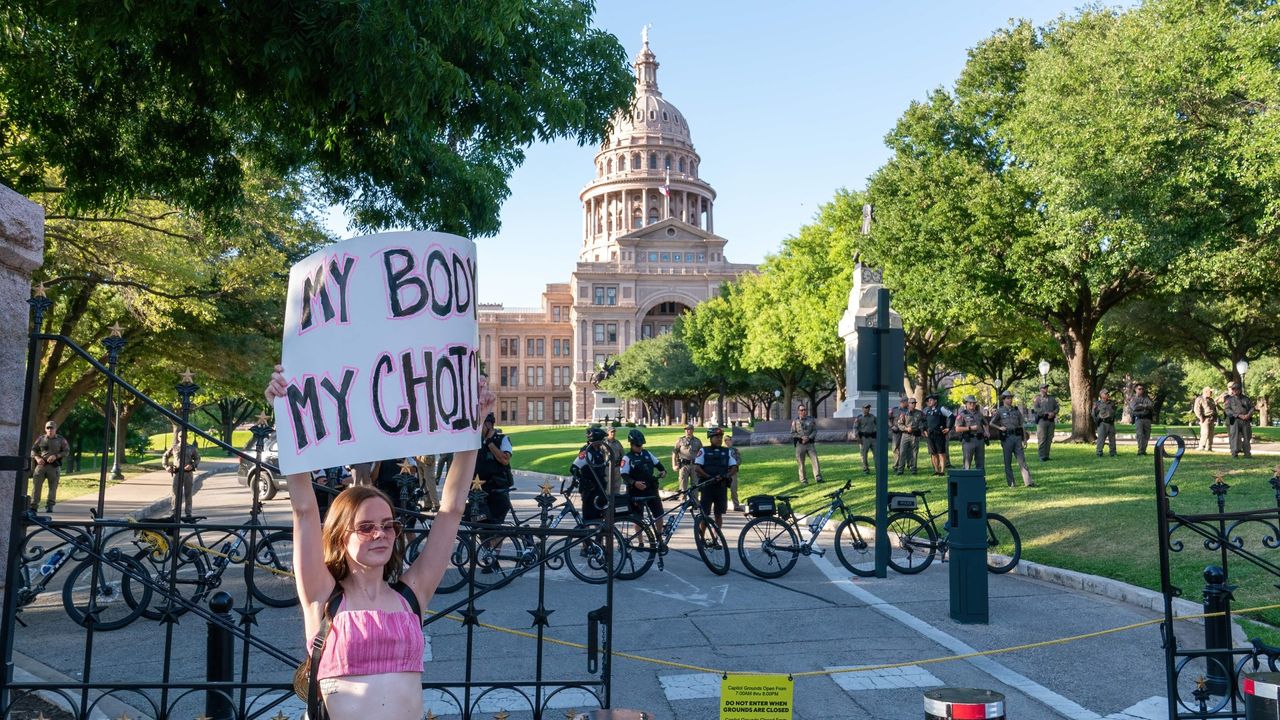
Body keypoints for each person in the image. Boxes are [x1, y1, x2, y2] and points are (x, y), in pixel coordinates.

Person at [265, 365, 488, 720]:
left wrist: (472, 428)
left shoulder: (411, 595)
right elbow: (305, 510)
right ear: (340, 536)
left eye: (388, 525)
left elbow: (451, 509)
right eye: (366, 527)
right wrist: (285, 413)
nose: (381, 534)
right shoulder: (323, 596)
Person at [620, 429, 667, 544]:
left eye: (641, 445)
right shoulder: (627, 458)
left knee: (659, 513)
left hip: (651, 489)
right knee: (638, 517)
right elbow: (624, 474)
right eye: (637, 445)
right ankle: (640, 541)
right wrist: (634, 483)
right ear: (631, 444)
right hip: (636, 491)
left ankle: (659, 536)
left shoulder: (647, 454)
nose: (640, 447)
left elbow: (659, 466)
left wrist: (663, 472)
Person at [693, 426, 736, 533]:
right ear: (710, 438)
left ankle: (717, 537)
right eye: (716, 437)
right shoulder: (704, 451)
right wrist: (709, 477)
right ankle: (701, 537)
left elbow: (734, 467)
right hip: (707, 487)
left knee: (719, 514)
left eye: (720, 437)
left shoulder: (727, 451)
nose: (719, 439)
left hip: (721, 486)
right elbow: (697, 468)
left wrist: (727, 475)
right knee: (705, 514)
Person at [475, 413, 515, 527]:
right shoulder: (475, 441)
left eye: (480, 424)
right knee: (480, 522)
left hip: (498, 491)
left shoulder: (502, 439)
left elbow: (504, 459)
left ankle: (495, 544)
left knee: (496, 525)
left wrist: (489, 443)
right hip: (479, 492)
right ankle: (487, 544)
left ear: (489, 424)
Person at [990, 391, 1033, 488]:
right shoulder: (1000, 411)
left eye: (1011, 398)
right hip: (1007, 439)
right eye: (1008, 398)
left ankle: (1029, 482)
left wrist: (1025, 439)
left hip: (1017, 438)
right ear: (1004, 399)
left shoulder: (1016, 410)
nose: (1010, 400)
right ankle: (1011, 483)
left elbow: (1022, 425)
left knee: (1022, 460)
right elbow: (991, 423)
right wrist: (1000, 428)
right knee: (1007, 461)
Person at [572, 426, 613, 521]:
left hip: (599, 488)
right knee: (589, 517)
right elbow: (574, 468)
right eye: (601, 440)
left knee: (600, 516)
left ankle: (599, 535)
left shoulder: (598, 451)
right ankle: (586, 534)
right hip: (590, 491)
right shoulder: (587, 452)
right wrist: (585, 482)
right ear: (596, 440)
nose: (603, 442)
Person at [29, 420, 70, 513]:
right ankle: (33, 506)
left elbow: (67, 451)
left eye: (52, 428)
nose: (50, 430)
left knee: (53, 487)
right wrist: (37, 458)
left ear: (55, 429)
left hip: (54, 467)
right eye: (48, 428)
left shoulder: (61, 439)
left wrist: (56, 456)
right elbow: (33, 450)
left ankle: (50, 505)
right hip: (41, 466)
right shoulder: (40, 439)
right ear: (45, 429)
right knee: (36, 486)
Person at [162, 433, 201, 521]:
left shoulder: (191, 448)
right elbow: (165, 456)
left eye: (183, 436)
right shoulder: (174, 447)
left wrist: (193, 465)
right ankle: (174, 513)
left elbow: (198, 458)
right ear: (178, 438)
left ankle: (188, 513)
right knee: (175, 493)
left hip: (188, 473)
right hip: (177, 473)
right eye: (180, 436)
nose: (182, 438)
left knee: (188, 493)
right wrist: (166, 466)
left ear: (186, 437)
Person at [790, 404, 823, 484]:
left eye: (805, 410)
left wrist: (809, 437)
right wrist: (801, 437)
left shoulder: (811, 420)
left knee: (815, 459)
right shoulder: (795, 422)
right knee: (801, 462)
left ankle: (818, 477)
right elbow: (792, 433)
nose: (804, 411)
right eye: (802, 410)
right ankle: (803, 479)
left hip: (810, 444)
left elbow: (815, 430)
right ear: (798, 412)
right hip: (800, 444)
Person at [954, 396, 986, 470]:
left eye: (974, 403)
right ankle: (966, 479)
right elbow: (957, 429)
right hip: (968, 440)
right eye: (970, 403)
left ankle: (979, 480)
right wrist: (970, 428)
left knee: (980, 462)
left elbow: (985, 423)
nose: (972, 404)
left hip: (979, 439)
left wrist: (986, 432)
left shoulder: (979, 414)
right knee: (967, 462)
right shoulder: (962, 414)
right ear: (966, 403)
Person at [1224, 381, 1254, 459]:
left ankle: (1247, 453)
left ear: (1239, 390)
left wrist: (1248, 415)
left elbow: (1252, 408)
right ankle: (1234, 453)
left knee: (1247, 437)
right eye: (1233, 389)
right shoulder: (1229, 399)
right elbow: (1227, 410)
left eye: (1235, 389)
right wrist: (1238, 415)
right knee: (1235, 437)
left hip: (1246, 420)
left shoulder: (1246, 399)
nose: (1234, 391)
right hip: (1235, 420)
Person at [896, 398, 925, 475]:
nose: (913, 404)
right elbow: (899, 424)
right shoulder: (904, 413)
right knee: (902, 452)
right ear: (908, 404)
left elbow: (923, 422)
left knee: (914, 453)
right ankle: (900, 469)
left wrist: (920, 428)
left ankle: (913, 469)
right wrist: (906, 428)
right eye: (911, 403)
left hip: (915, 435)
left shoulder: (919, 413)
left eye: (914, 403)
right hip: (905, 435)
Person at [671, 423, 702, 493]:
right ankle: (683, 502)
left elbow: (701, 453)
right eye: (686, 430)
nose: (688, 431)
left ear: (693, 430)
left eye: (690, 429)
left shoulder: (697, 441)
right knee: (683, 487)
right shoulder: (680, 440)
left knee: (695, 486)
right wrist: (674, 465)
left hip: (694, 465)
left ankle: (695, 502)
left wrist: (700, 465)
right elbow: (674, 453)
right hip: (683, 465)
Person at [922, 394, 949, 477]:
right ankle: (936, 470)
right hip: (930, 434)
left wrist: (948, 428)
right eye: (928, 401)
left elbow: (951, 416)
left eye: (930, 400)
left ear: (935, 401)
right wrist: (924, 430)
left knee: (941, 453)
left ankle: (942, 471)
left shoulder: (941, 409)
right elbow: (924, 421)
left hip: (939, 433)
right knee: (933, 453)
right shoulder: (927, 410)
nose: (929, 402)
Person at [1031, 384, 1059, 462]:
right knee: (1042, 438)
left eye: (1046, 388)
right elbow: (1036, 409)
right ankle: (1041, 456)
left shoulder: (1052, 398)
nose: (1045, 389)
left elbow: (1057, 407)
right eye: (1043, 388)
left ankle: (1047, 455)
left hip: (1051, 421)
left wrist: (1053, 413)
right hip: (1042, 421)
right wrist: (1046, 413)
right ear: (1040, 389)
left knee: (1049, 438)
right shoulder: (1037, 399)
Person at [1128, 383, 1155, 456]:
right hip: (1138, 419)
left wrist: (1141, 405)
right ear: (1135, 390)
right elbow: (1134, 407)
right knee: (1140, 435)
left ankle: (1143, 450)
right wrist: (1145, 407)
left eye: (1142, 389)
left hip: (1147, 419)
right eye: (1139, 389)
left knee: (1147, 435)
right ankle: (1140, 450)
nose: (1141, 390)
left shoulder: (1146, 398)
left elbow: (1151, 406)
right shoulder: (1133, 398)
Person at [1093, 389, 1118, 457]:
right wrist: (1097, 422)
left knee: (1112, 439)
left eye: (1108, 393)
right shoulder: (1097, 404)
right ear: (1101, 395)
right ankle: (1099, 452)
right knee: (1101, 439)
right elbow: (1093, 414)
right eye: (1106, 393)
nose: (1107, 395)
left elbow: (1114, 411)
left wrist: (1113, 418)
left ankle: (1113, 452)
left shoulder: (1112, 403)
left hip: (1111, 423)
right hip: (1102, 423)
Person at [723, 432, 744, 512]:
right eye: (725, 440)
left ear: (731, 441)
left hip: (733, 472)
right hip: (724, 472)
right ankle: (723, 506)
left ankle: (736, 505)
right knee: (723, 490)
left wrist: (734, 465)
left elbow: (739, 460)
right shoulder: (723, 450)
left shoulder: (735, 450)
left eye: (728, 440)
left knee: (733, 489)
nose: (727, 442)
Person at [1193, 386, 1219, 452]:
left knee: (1211, 434)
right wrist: (1200, 417)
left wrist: (1215, 417)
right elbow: (1197, 409)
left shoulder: (1211, 400)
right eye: (1210, 392)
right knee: (1205, 433)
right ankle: (1201, 446)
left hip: (1212, 418)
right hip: (1205, 418)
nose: (1211, 393)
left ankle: (1209, 447)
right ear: (1206, 392)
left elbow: (1214, 409)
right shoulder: (1200, 399)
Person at [888, 396, 909, 473]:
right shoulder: (894, 410)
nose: (908, 403)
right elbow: (888, 418)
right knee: (895, 449)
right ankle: (896, 465)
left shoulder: (908, 410)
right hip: (896, 432)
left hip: (905, 432)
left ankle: (908, 464)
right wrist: (892, 426)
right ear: (902, 402)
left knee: (906, 448)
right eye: (907, 402)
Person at [855, 403, 876, 474]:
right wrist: (858, 438)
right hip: (864, 438)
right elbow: (855, 428)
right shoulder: (859, 418)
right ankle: (865, 469)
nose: (868, 409)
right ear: (862, 408)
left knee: (876, 454)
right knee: (864, 454)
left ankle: (878, 467)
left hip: (873, 438)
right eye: (866, 408)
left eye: (868, 408)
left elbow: (878, 425)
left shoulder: (872, 417)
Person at [604, 426, 625, 494]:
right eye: (611, 432)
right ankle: (609, 502)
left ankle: (616, 500)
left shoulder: (617, 443)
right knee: (608, 485)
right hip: (608, 467)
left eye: (614, 432)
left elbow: (622, 454)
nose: (613, 433)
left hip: (617, 467)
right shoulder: (604, 443)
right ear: (608, 432)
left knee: (617, 485)